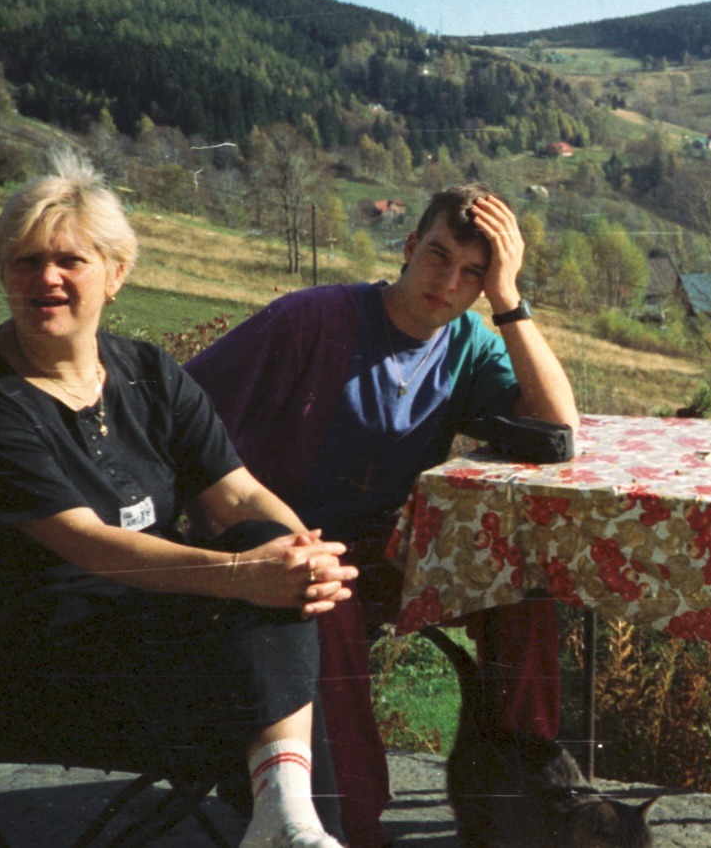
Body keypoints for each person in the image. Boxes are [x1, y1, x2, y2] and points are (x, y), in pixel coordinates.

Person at [0, 151, 355, 848]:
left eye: (69, 259)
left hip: (143, 634)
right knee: (268, 637)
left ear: (115, 274)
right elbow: (88, 544)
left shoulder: (147, 372)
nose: (46, 279)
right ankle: (297, 824)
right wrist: (250, 577)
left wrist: (308, 557)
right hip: (42, 665)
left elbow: (238, 490)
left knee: (278, 588)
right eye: (25, 261)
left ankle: (290, 824)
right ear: (2, 274)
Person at [184, 184, 579, 848]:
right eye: (437, 255)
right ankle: (352, 822)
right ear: (406, 248)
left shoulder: (466, 345)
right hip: (277, 554)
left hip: (382, 549)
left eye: (473, 272)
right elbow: (177, 411)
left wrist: (510, 300)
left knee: (517, 581)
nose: (448, 280)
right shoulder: (315, 319)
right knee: (328, 596)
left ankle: (525, 802)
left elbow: (558, 428)